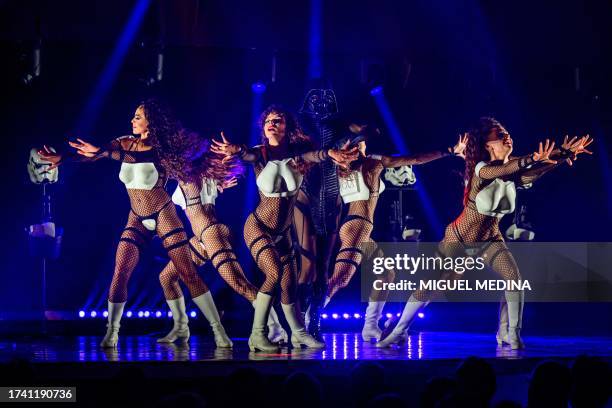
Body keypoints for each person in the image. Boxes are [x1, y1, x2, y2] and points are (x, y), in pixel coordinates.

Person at [377, 117, 593, 349]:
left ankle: (510, 333)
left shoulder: (512, 172)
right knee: (434, 287)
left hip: (490, 240)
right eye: (499, 134)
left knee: (514, 280)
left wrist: (564, 154)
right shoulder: (482, 169)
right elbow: (513, 166)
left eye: (506, 131)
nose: (506, 135)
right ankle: (399, 329)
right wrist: (534, 158)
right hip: (459, 240)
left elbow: (533, 171)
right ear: (488, 145)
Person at [38, 99, 231, 348]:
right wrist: (64, 158)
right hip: (136, 217)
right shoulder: (125, 141)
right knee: (120, 272)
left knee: (187, 273)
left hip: (163, 214)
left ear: (152, 121)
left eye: (138, 117)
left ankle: (218, 331)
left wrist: (106, 152)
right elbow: (94, 155)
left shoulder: (162, 150)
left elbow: (133, 156)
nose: (132, 120)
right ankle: (112, 332)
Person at [211, 105, 356, 351]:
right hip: (258, 227)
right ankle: (257, 334)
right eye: (268, 120)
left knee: (289, 285)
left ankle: (298, 334)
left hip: (283, 234)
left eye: (278, 120)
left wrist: (331, 153)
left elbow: (317, 155)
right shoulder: (260, 154)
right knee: (274, 274)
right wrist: (236, 149)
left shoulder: (299, 155)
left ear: (287, 127)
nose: (272, 124)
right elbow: (246, 154)